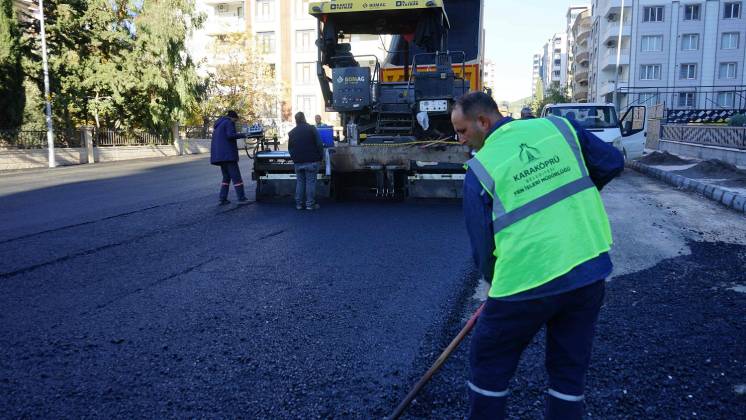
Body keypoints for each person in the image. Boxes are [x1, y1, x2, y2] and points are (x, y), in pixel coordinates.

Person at [450, 92, 624, 420]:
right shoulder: (559, 128)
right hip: (587, 271)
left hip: (524, 283)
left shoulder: (481, 169)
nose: (461, 141)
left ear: (483, 122)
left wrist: (494, 285)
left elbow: (483, 248)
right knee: (568, 370)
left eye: (462, 131)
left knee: (489, 360)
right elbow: (612, 163)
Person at [210, 110, 250, 205]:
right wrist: (244, 135)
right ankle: (242, 198)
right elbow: (230, 135)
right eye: (235, 121)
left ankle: (223, 198)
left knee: (226, 177)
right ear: (233, 118)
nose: (235, 122)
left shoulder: (219, 124)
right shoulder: (229, 122)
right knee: (236, 177)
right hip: (228, 155)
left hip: (219, 156)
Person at [288, 112, 324, 210]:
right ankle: (310, 204)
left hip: (298, 162)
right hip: (311, 161)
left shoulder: (292, 132)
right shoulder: (312, 129)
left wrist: (295, 159)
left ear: (296, 120)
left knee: (300, 182)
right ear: (304, 118)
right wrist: (321, 157)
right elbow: (319, 144)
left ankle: (299, 204)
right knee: (310, 182)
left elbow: (290, 148)